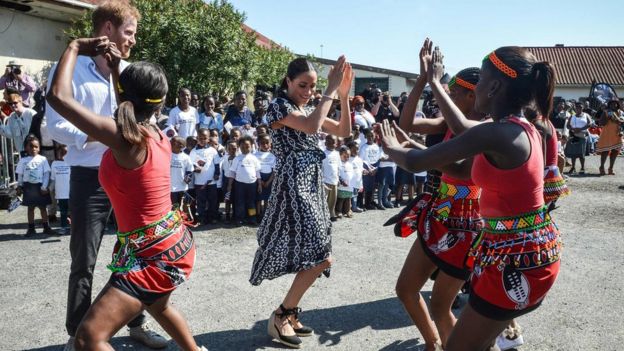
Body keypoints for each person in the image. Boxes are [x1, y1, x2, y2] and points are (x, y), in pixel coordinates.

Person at [381, 44, 562, 351]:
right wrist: (414, 143)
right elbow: (461, 170)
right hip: (519, 252)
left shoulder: (499, 132)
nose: (475, 87)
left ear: (494, 86)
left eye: (480, 81)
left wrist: (390, 147)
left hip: (516, 259)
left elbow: (420, 158)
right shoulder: (517, 129)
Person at [47, 35, 203, 351]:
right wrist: (119, 67)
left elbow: (57, 97)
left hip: (153, 256)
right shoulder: (154, 130)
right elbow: (127, 105)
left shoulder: (124, 137)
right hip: (172, 243)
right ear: (160, 101)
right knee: (159, 307)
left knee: (88, 337)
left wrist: (75, 47)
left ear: (125, 96)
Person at [45, 3, 167, 349]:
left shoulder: (126, 70)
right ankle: (76, 334)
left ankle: (137, 324)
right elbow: (56, 127)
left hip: (129, 177)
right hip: (89, 176)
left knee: (135, 255)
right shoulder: (69, 69)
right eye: (129, 32)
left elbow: (143, 122)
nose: (132, 40)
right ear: (108, 29)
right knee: (84, 259)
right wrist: (107, 134)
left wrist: (122, 135)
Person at [249, 56, 353, 349]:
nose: (308, 91)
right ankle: (282, 315)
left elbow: (343, 131)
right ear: (288, 82)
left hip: (312, 183)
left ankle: (289, 313)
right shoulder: (278, 107)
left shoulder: (309, 107)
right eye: (302, 85)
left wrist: (342, 96)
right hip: (293, 184)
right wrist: (330, 90)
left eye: (312, 86)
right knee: (322, 255)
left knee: (318, 253)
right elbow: (310, 127)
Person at [392, 39, 485, 350]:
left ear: (473, 95)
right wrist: (422, 79)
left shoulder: (487, 128)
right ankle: (434, 343)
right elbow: (405, 124)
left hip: (466, 225)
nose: (449, 95)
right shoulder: (447, 120)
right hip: (438, 216)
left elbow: (462, 172)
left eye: (455, 91)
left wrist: (417, 150)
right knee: (405, 289)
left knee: (441, 308)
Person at [15, 136, 58, 236]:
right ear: (26, 148)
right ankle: (31, 228)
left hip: (40, 187)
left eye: (36, 146)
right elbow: (20, 175)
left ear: (39, 148)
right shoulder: (23, 161)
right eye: (31, 146)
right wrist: (20, 186)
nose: (33, 149)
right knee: (30, 208)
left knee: (43, 208)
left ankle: (46, 227)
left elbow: (46, 174)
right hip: (28, 187)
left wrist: (44, 186)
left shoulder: (43, 159)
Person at [227, 135, 261, 226]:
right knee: (240, 202)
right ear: (239, 147)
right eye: (242, 147)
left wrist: (260, 184)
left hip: (252, 184)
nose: (245, 148)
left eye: (247, 146)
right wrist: (230, 185)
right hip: (239, 184)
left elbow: (258, 172)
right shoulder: (237, 158)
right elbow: (232, 173)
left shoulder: (254, 158)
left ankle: (252, 218)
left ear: (252, 146)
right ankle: (239, 219)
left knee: (251, 202)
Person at [190, 128, 220, 225]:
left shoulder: (213, 151)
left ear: (208, 139)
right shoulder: (193, 151)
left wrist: (217, 173)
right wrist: (195, 168)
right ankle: (202, 218)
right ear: (197, 138)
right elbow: (191, 165)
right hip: (200, 181)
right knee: (201, 200)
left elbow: (216, 164)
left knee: (213, 200)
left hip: (211, 181)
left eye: (205, 138)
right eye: (200, 138)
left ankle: (213, 217)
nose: (202, 140)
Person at [595, 99, 624, 175]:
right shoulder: (606, 112)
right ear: (609, 105)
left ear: (617, 105)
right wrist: (608, 118)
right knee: (605, 151)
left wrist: (619, 121)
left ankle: (610, 168)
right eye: (612, 104)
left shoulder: (621, 113)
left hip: (617, 134)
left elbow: (622, 122)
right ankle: (601, 167)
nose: (614, 105)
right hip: (607, 134)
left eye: (615, 104)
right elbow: (601, 123)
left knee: (615, 152)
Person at [564, 102, 592, 174]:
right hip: (573, 135)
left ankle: (582, 168)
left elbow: (590, 123)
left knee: (581, 153)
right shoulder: (572, 116)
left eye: (580, 107)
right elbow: (568, 126)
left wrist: (580, 129)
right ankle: (573, 167)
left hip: (582, 136)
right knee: (573, 153)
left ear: (582, 108)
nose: (579, 108)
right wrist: (573, 129)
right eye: (577, 107)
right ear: (575, 108)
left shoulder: (586, 115)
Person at [51, 144, 71, 234]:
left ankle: (74, 228)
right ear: (57, 153)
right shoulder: (54, 164)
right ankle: (63, 227)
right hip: (61, 193)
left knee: (73, 211)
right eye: (61, 152)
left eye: (65, 152)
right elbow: (52, 179)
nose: (63, 154)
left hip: (72, 193)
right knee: (63, 212)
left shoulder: (72, 162)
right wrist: (49, 188)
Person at [255, 134, 276, 220]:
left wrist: (268, 182)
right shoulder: (255, 155)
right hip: (258, 178)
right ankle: (258, 215)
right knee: (258, 198)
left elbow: (274, 171)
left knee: (267, 198)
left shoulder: (272, 156)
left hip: (269, 179)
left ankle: (265, 214)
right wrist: (260, 182)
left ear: (270, 143)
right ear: (258, 144)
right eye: (262, 143)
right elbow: (255, 169)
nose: (265, 145)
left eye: (267, 143)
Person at [170, 136, 194, 208]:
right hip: (169, 187)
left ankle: (181, 218)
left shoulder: (186, 157)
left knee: (180, 206)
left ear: (181, 146)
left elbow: (190, 169)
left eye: (173, 142)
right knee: (171, 206)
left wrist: (188, 177)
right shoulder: (167, 155)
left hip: (181, 187)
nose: (170, 143)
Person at [359, 129, 380, 209]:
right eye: (368, 136)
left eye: (372, 136)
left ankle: (368, 203)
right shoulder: (363, 147)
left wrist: (375, 169)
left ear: (374, 136)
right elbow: (361, 160)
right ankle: (360, 204)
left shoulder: (376, 146)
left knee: (371, 187)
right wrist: (367, 169)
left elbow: (378, 159)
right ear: (365, 137)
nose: (370, 137)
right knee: (364, 187)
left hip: (374, 169)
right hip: (366, 170)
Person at [322, 134, 340, 220]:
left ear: (336, 144)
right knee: (325, 199)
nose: (331, 144)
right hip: (325, 181)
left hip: (334, 180)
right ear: (325, 143)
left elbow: (338, 167)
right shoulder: (323, 154)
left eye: (333, 142)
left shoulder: (337, 154)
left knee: (333, 200)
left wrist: (339, 178)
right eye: (328, 142)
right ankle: (324, 215)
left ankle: (331, 213)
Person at [221, 140, 238, 223]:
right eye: (229, 148)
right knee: (227, 199)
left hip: (237, 181)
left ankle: (234, 215)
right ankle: (227, 216)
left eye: (234, 148)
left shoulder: (239, 158)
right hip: (227, 181)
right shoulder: (224, 158)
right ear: (226, 149)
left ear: (237, 148)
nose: (232, 150)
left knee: (236, 199)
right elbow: (222, 170)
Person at [336, 145, 354, 217]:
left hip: (349, 186)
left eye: (348, 156)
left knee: (348, 199)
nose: (347, 158)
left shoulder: (350, 164)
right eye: (345, 156)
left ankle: (348, 210)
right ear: (340, 155)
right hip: (342, 185)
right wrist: (342, 181)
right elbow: (338, 173)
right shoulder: (338, 164)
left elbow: (352, 174)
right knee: (341, 199)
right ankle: (338, 211)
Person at [348, 141, 364, 213]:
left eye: (357, 149)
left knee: (355, 195)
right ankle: (347, 209)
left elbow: (360, 169)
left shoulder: (359, 159)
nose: (356, 151)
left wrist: (364, 171)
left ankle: (354, 207)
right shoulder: (347, 159)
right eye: (353, 149)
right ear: (349, 149)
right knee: (348, 196)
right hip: (349, 182)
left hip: (357, 181)